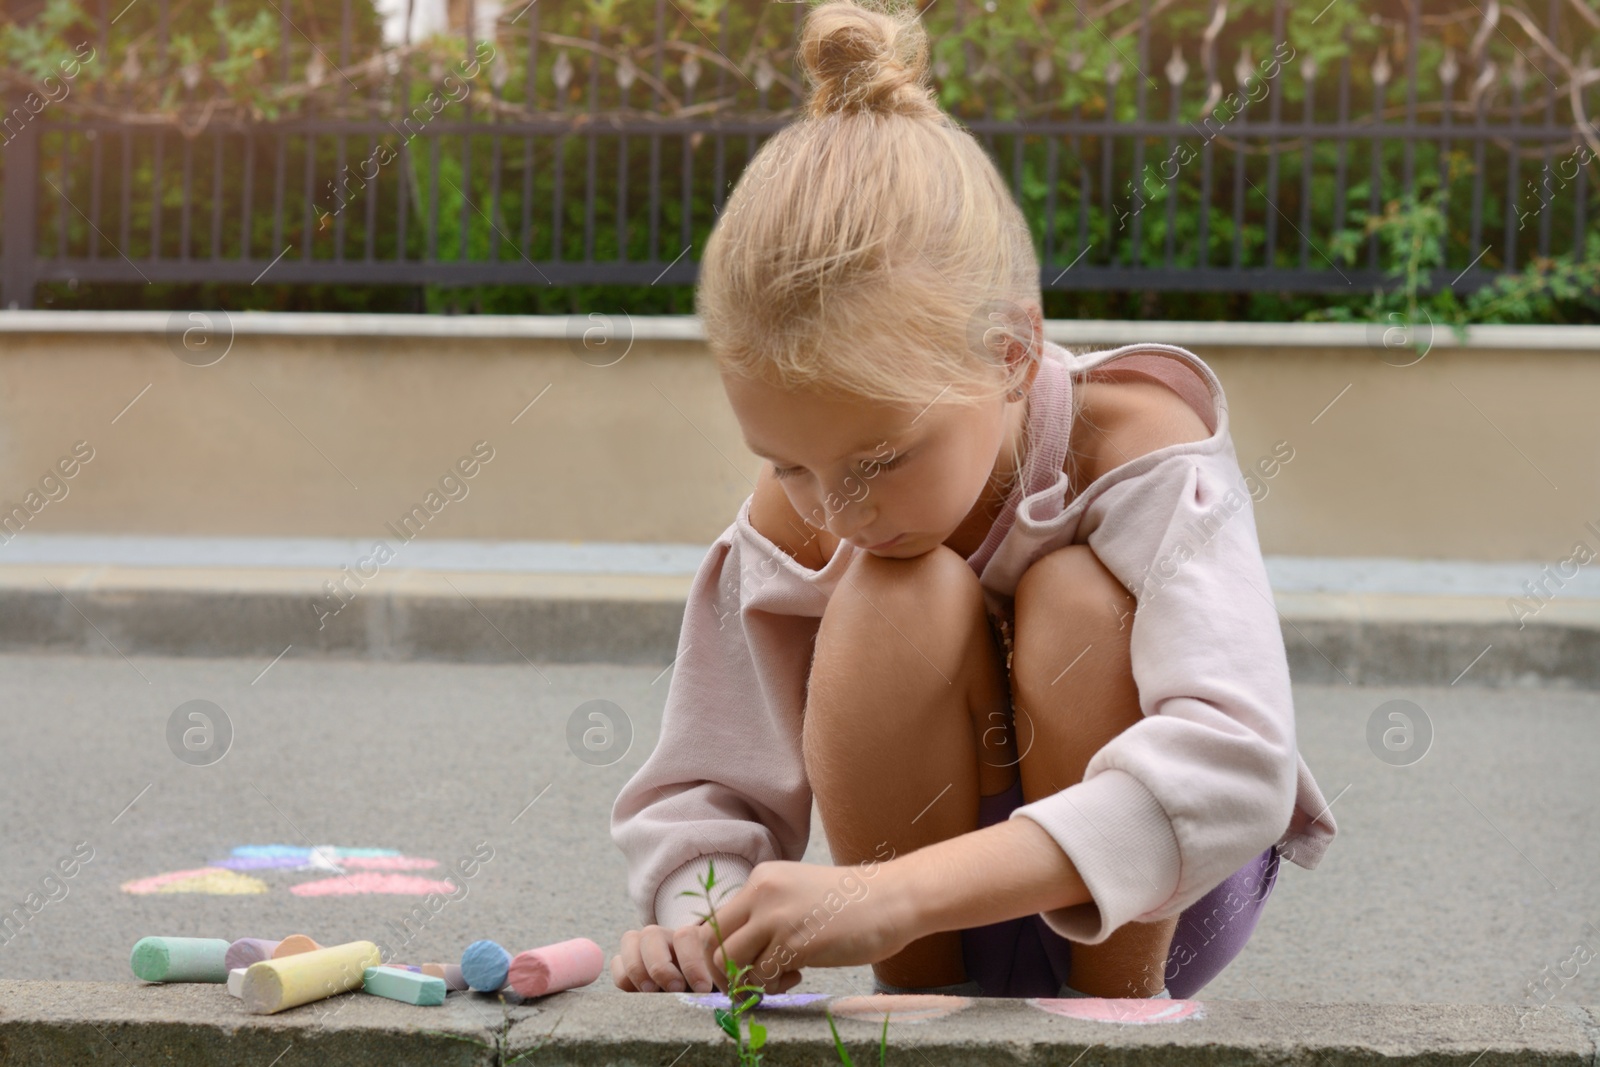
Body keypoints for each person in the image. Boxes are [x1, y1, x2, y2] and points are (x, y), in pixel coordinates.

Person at [610, 0, 1338, 1002]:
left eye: (882, 456)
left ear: (1012, 353)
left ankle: (1111, 1016)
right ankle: (915, 1014)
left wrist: (891, 890)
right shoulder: (807, 511)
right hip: (909, 932)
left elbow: (1235, 762)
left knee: (1076, 598)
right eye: (786, 462)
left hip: (1150, 916)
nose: (836, 508)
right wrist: (700, 916)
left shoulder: (1136, 448)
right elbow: (703, 787)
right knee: (888, 594)